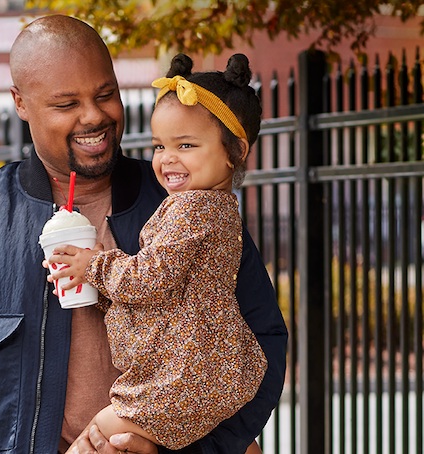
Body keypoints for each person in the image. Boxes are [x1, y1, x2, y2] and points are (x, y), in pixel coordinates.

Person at [0, 14, 288, 454]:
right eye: (66, 104)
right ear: (20, 102)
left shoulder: (187, 205)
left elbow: (262, 345)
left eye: (106, 94)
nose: (93, 116)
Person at [47, 52, 268, 451]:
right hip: (206, 368)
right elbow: (164, 299)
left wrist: (95, 265)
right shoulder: (214, 207)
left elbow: (149, 279)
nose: (167, 159)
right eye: (159, 145)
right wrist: (96, 275)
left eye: (185, 144)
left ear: (235, 150)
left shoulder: (192, 210)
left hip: (184, 373)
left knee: (95, 438)